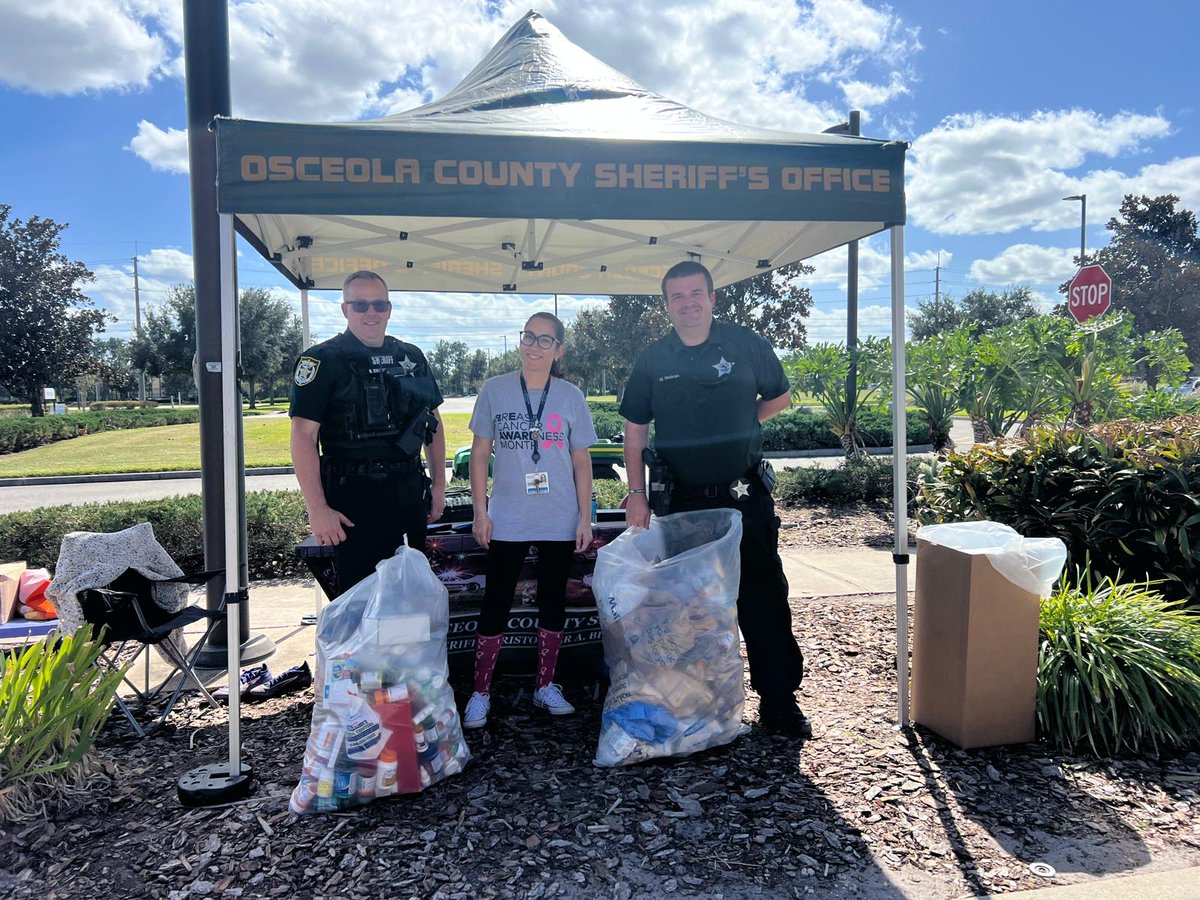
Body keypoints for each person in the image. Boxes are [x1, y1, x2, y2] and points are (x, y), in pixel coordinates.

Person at [619, 260, 808, 737]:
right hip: (682, 501)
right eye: (677, 296)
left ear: (712, 297)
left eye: (695, 293)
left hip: (744, 496)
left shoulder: (746, 344)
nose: (687, 303)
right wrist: (636, 493)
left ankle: (779, 701)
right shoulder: (653, 358)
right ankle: (701, 705)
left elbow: (779, 397)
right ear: (667, 305)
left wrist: (743, 423)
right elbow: (635, 429)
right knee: (689, 605)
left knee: (763, 597)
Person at [461, 312, 598, 728]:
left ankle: (546, 686)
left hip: (559, 516)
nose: (534, 347)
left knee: (552, 600)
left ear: (559, 350)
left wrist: (585, 517)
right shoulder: (495, 390)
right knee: (496, 601)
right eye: (529, 337)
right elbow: (479, 455)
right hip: (507, 517)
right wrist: (480, 512)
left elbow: (581, 461)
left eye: (544, 340)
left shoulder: (571, 396)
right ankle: (480, 692)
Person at [289, 270, 446, 595]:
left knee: (411, 595)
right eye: (360, 305)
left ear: (389, 309)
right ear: (345, 309)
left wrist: (439, 486)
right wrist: (317, 509)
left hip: (408, 492)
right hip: (353, 501)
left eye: (379, 304)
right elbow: (303, 437)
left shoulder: (411, 356)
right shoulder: (321, 360)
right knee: (360, 599)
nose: (371, 312)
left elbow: (433, 423)